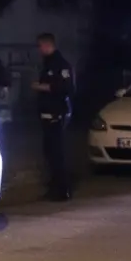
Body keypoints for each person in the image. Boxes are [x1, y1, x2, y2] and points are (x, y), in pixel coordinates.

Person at [32, 32, 75, 201]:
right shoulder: (47, 63)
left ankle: (63, 190)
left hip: (57, 114)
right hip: (46, 113)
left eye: (40, 46)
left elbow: (66, 88)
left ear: (47, 45)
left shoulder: (60, 64)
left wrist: (42, 87)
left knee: (57, 153)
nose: (39, 49)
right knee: (49, 152)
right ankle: (53, 187)